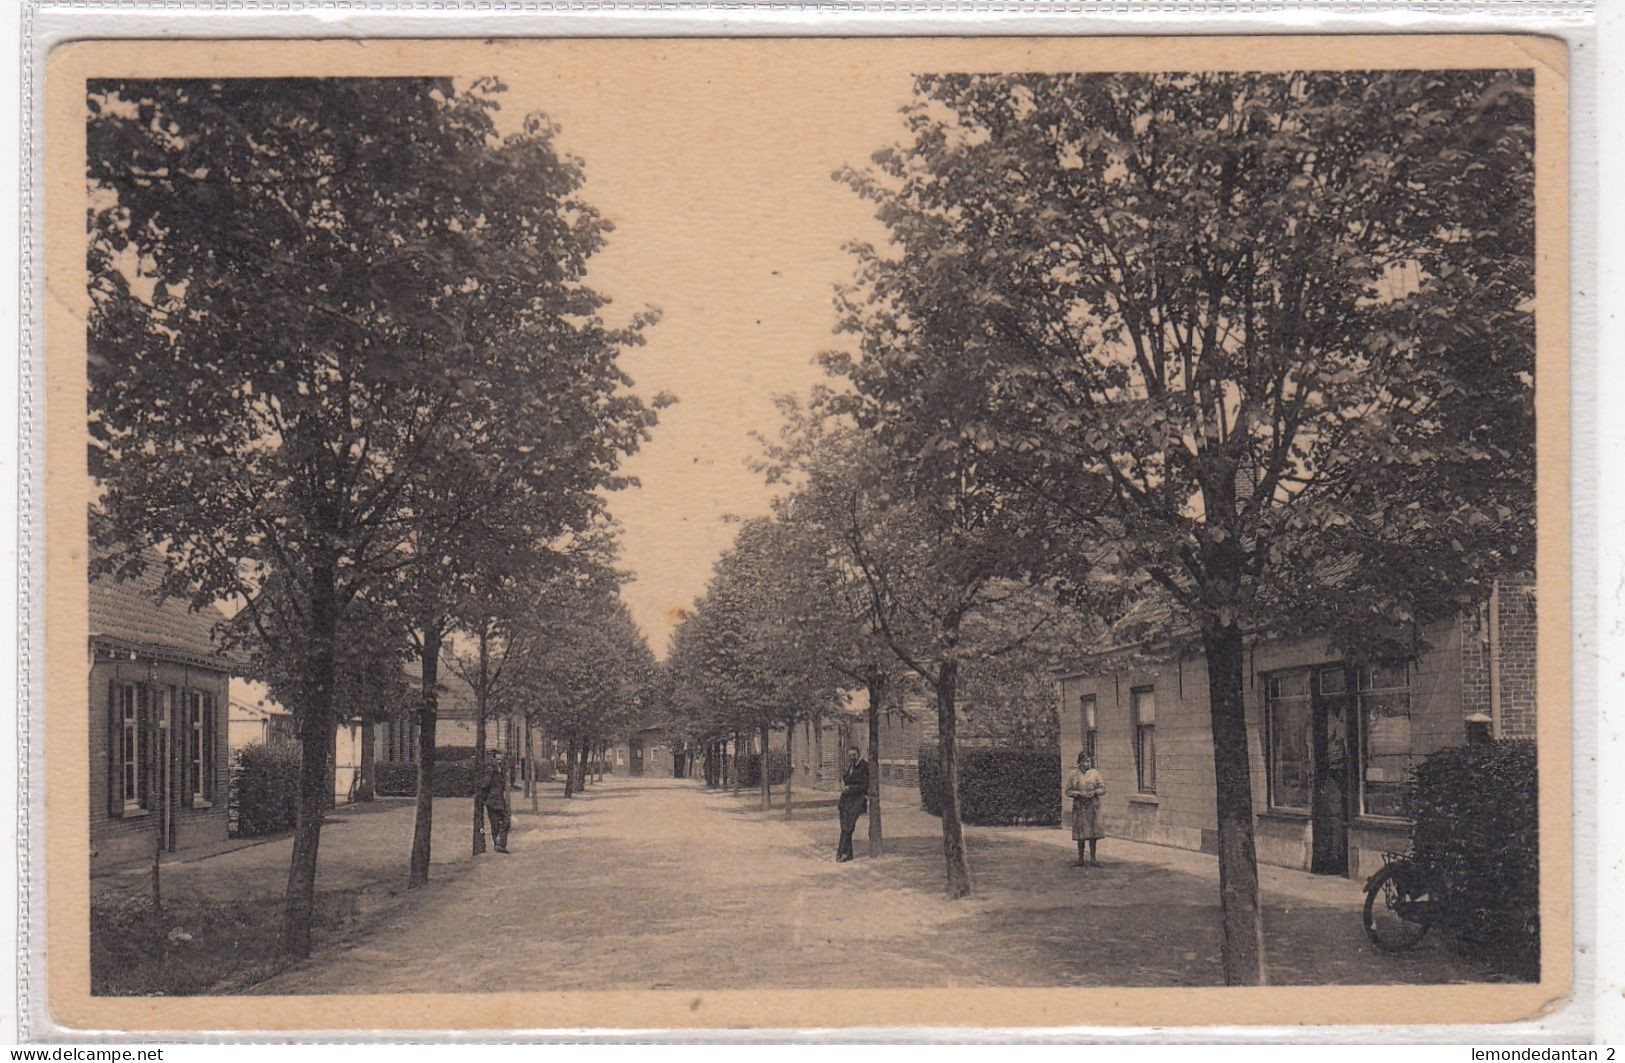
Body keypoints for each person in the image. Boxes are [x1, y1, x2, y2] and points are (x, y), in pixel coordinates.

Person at [1065, 751, 1106, 866]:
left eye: (1088, 761)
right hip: (1080, 807)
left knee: (1093, 834)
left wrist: (1094, 792)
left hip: (1093, 807)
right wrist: (1078, 793)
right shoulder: (1074, 774)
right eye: (1084, 761)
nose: (1086, 763)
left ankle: (1093, 859)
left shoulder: (1095, 773)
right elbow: (1068, 791)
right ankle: (1080, 859)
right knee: (1080, 834)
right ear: (1079, 762)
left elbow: (1103, 788)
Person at [836, 746, 869, 862]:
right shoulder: (850, 766)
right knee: (845, 827)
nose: (852, 758)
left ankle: (842, 852)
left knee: (848, 827)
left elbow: (864, 785)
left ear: (858, 754)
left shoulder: (864, 766)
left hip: (856, 801)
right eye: (850, 756)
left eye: (854, 755)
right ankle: (847, 854)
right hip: (845, 801)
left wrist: (849, 788)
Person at [477, 750, 512, 854]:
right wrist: (484, 799)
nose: (500, 761)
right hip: (493, 801)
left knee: (502, 822)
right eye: (498, 759)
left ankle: (498, 845)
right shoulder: (491, 770)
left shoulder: (500, 770)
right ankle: (499, 845)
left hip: (498, 800)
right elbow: (485, 785)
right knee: (502, 821)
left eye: (501, 760)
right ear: (494, 760)